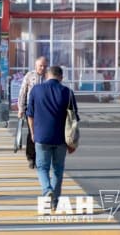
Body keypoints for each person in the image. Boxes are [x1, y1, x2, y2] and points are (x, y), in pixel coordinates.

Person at [26, 66, 79, 210]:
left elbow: (29, 113)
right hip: (61, 139)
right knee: (58, 170)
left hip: (41, 136)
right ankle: (55, 201)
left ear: (47, 76)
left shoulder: (36, 90)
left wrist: (32, 132)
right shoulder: (67, 92)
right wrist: (72, 143)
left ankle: (47, 190)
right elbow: (74, 119)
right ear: (61, 77)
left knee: (42, 168)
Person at [17, 56, 48, 169]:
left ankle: (42, 157)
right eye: (41, 66)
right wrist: (20, 109)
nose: (43, 68)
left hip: (46, 110)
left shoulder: (49, 77)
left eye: (45, 66)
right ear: (36, 66)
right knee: (32, 133)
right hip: (32, 109)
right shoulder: (30, 76)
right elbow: (23, 92)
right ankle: (31, 157)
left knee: (44, 133)